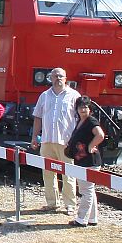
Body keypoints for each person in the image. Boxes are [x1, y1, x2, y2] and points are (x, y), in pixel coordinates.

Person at [31, 67, 81, 213]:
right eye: (55, 76)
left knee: (69, 174)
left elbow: (80, 119)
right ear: (51, 78)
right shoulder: (44, 96)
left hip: (66, 142)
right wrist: (35, 136)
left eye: (61, 76)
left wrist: (76, 140)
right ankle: (52, 203)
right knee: (47, 173)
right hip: (47, 140)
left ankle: (70, 205)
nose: (58, 78)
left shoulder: (74, 95)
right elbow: (38, 117)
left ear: (66, 78)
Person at [66, 96, 106, 226]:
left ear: (90, 109)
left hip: (90, 161)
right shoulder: (81, 121)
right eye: (80, 107)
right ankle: (92, 218)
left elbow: (100, 135)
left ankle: (81, 219)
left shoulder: (91, 121)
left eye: (85, 107)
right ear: (76, 109)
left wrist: (91, 146)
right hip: (82, 160)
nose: (83, 109)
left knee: (86, 191)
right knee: (89, 189)